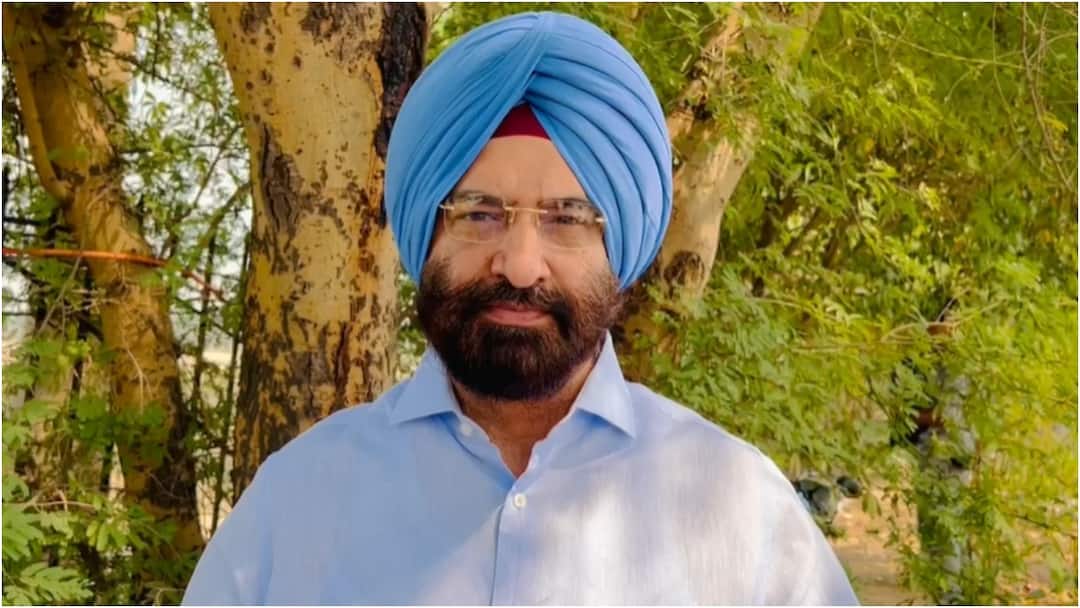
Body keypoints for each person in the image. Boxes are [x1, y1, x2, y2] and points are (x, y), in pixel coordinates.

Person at [183, 11, 858, 605]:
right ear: (427, 232)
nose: (520, 264)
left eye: (568, 219)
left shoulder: (740, 509)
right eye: (479, 212)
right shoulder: (299, 500)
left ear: (618, 246)